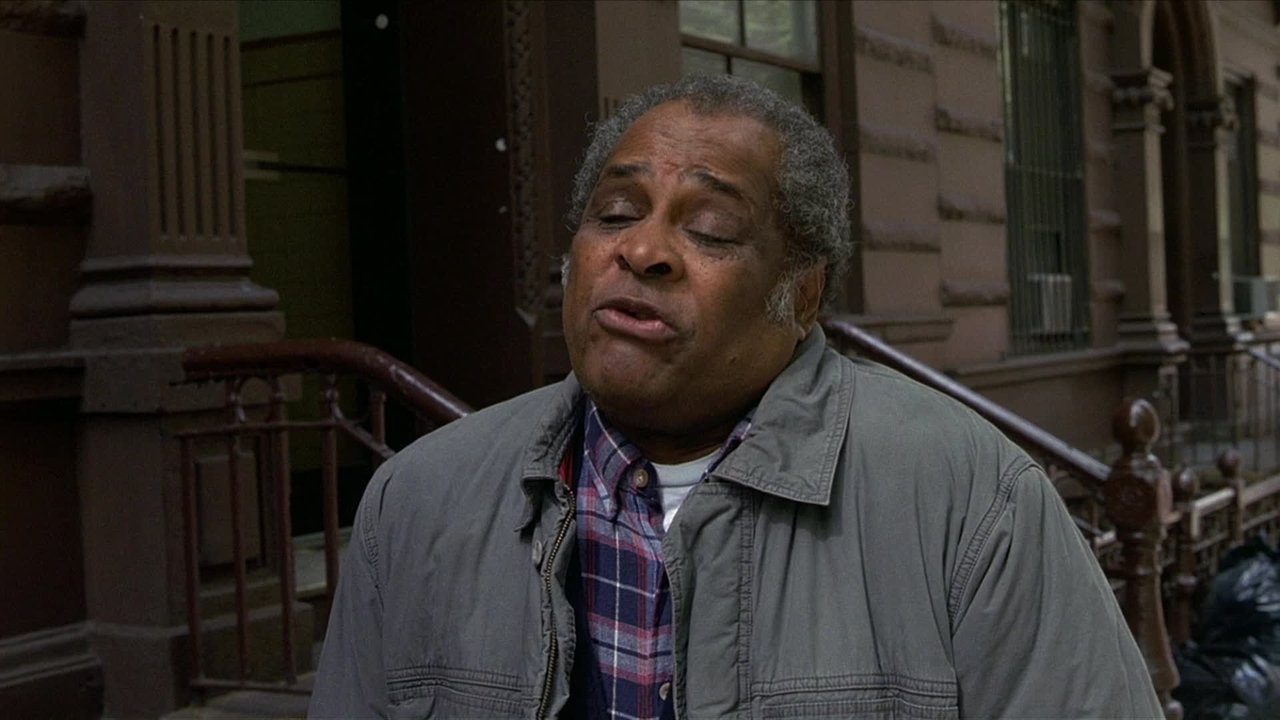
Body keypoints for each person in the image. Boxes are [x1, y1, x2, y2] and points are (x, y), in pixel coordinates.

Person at [309, 74, 1162, 719]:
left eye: (709, 230)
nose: (642, 250)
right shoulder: (415, 502)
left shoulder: (972, 504)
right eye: (615, 213)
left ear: (801, 294)